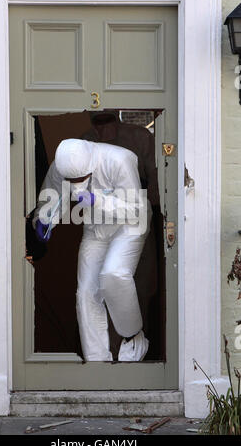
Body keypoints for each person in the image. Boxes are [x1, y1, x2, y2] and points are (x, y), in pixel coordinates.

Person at [33, 138, 152, 362]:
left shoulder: (119, 159)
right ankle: (97, 360)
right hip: (95, 229)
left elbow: (135, 209)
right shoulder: (59, 167)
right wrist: (43, 220)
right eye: (71, 180)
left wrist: (98, 201)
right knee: (86, 293)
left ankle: (133, 338)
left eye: (81, 179)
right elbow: (51, 198)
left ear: (91, 166)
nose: (76, 184)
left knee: (113, 274)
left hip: (129, 226)